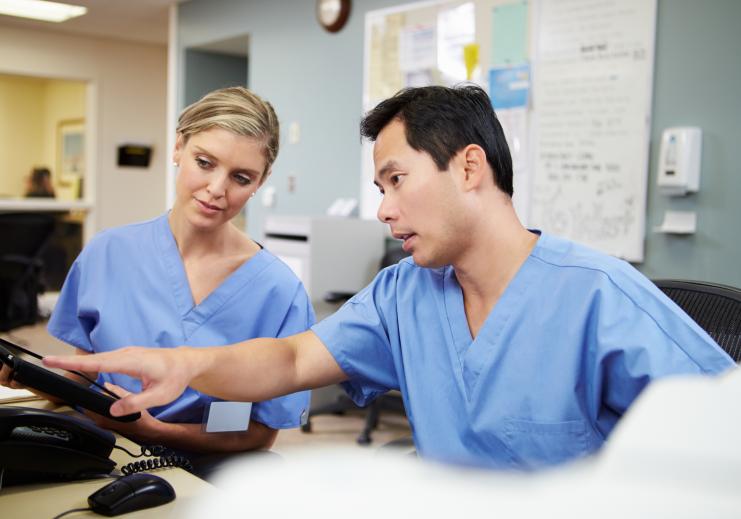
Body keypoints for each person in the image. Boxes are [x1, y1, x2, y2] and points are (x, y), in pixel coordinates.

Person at [44, 85, 735, 470]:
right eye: (379, 185)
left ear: (468, 168)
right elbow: (288, 357)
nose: (382, 208)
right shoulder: (405, 292)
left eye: (396, 180)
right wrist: (183, 362)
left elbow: (721, 440)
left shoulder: (596, 296)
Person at [3, 87, 313, 464]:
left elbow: (259, 433)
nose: (217, 189)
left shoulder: (278, 291)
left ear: (260, 183)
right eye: (205, 162)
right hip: (97, 455)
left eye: (241, 178)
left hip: (204, 469)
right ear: (178, 147)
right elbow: (85, 379)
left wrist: (153, 432)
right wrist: (35, 379)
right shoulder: (108, 252)